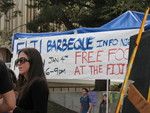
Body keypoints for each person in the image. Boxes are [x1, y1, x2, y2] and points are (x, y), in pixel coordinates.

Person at [12, 48, 49, 113]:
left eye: (22, 60)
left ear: (33, 61)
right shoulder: (24, 83)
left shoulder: (39, 83)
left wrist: (14, 109)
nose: (19, 64)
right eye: (18, 61)